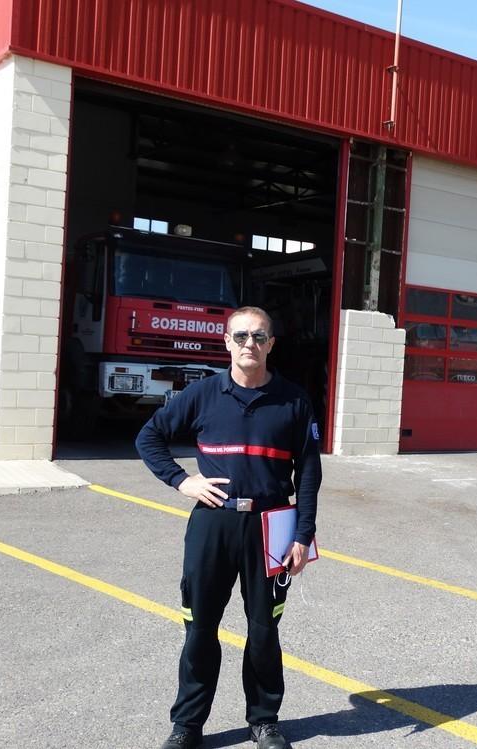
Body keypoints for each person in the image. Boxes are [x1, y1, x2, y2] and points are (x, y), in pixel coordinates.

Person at [136, 306, 322, 749]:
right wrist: (182, 481)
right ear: (226, 342)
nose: (249, 345)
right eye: (240, 337)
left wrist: (302, 534)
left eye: (259, 337)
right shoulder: (201, 395)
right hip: (213, 525)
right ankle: (187, 726)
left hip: (270, 526)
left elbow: (310, 473)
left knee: (263, 630)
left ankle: (264, 722)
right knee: (200, 628)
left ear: (271, 344)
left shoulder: (294, 400)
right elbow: (149, 437)